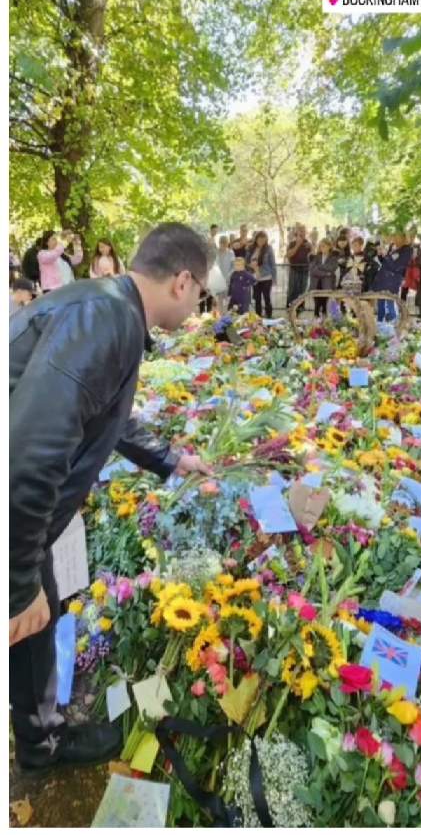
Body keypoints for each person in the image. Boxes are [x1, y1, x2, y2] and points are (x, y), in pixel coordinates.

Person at [10, 222, 214, 773]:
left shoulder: (109, 308)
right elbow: (29, 457)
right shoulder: (106, 319)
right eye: (200, 293)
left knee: (38, 616)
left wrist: (171, 460)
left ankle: (39, 742)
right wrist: (19, 580)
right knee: (31, 608)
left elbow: (103, 412)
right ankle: (40, 744)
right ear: (182, 281)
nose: (199, 304)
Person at [247, 231, 276, 318]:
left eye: (264, 240)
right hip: (255, 278)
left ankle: (269, 317)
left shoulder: (269, 248)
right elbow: (246, 261)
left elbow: (272, 264)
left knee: (267, 298)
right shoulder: (251, 248)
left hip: (266, 277)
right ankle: (258, 317)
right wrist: (251, 266)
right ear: (256, 239)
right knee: (257, 299)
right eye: (260, 239)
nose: (262, 241)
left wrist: (274, 278)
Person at [308, 239, 339, 318]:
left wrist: (320, 266)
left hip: (327, 284)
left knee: (324, 303)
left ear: (329, 247)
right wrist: (325, 273)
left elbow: (332, 268)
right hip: (316, 283)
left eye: (324, 246)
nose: (322, 248)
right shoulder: (315, 257)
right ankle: (316, 321)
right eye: (321, 246)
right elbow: (313, 270)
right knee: (317, 304)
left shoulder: (333, 257)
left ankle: (324, 322)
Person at [285, 224, 312, 310]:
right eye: (300, 231)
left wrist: (312, 248)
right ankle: (290, 306)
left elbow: (313, 256)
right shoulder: (292, 243)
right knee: (293, 289)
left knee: (302, 290)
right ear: (297, 232)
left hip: (305, 270)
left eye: (304, 231)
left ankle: (300, 307)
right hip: (294, 269)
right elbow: (288, 255)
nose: (302, 233)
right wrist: (297, 245)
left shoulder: (308, 244)